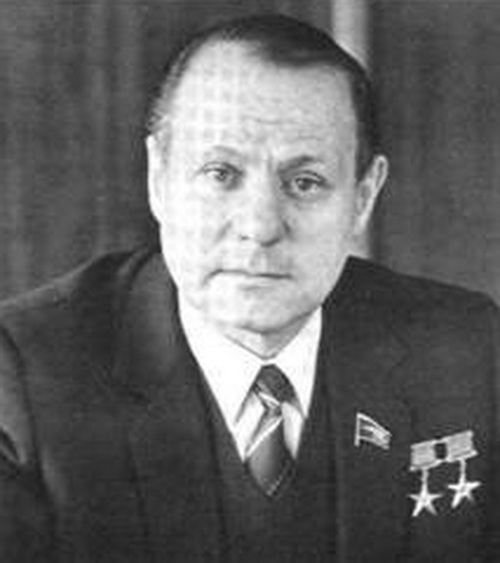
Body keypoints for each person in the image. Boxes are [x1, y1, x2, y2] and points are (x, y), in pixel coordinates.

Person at [0, 14, 498, 563]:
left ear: (362, 198)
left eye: (305, 182)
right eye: (221, 174)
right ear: (159, 179)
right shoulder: (23, 377)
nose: (260, 226)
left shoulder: (466, 350)